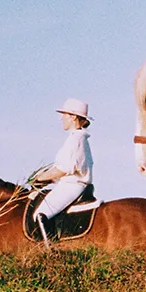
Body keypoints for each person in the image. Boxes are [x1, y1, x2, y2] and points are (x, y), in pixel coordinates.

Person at [32, 98, 94, 241]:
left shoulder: (76, 139)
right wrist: (48, 179)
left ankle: (51, 253)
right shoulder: (75, 138)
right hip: (68, 184)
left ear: (73, 117)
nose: (62, 118)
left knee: (40, 215)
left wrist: (39, 178)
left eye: (64, 115)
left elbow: (63, 169)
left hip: (72, 186)